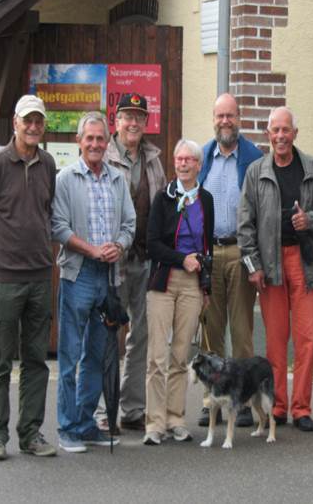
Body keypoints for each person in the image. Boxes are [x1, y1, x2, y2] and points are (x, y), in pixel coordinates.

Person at [0, 94, 58, 461]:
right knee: (2, 361)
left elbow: (48, 210)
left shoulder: (49, 164)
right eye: (28, 121)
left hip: (40, 275)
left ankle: (31, 433)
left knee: (37, 360)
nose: (34, 126)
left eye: (39, 121)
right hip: (5, 277)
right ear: (16, 124)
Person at [237, 107, 313, 433]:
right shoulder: (255, 172)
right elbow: (245, 226)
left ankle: (301, 407)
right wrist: (253, 265)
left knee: (306, 340)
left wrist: (311, 221)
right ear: (268, 134)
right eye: (275, 130)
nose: (280, 136)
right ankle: (277, 406)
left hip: (305, 263)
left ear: (295, 133)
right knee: (276, 342)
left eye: (285, 130)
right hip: (270, 264)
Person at [51, 111, 136, 452]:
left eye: (101, 139)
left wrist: (119, 246)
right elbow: (58, 226)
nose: (96, 144)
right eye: (90, 139)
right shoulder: (65, 179)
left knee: (97, 355)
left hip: (110, 278)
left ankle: (86, 424)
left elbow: (130, 225)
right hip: (79, 274)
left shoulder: (117, 180)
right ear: (79, 142)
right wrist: (91, 250)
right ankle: (67, 428)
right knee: (71, 354)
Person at [196, 93, 263, 428]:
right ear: (214, 118)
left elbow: (263, 212)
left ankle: (245, 400)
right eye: (220, 116)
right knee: (211, 331)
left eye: (231, 116)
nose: (225, 121)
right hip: (209, 254)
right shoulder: (204, 156)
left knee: (241, 330)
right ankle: (212, 402)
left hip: (240, 252)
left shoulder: (253, 157)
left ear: (240, 117)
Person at [100, 92, 166, 433]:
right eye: (127, 116)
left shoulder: (154, 159)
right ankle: (104, 411)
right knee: (107, 335)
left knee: (140, 337)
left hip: (146, 261)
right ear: (116, 121)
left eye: (139, 117)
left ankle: (132, 409)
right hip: (113, 262)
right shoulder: (105, 156)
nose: (133, 123)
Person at [142, 139, 214, 445]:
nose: (183, 164)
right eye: (179, 159)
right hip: (164, 281)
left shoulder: (206, 200)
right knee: (157, 356)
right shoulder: (163, 198)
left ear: (198, 165)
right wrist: (179, 259)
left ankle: (175, 418)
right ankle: (155, 423)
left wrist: (205, 285)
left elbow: (208, 246)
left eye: (189, 160)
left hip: (192, 284)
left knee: (181, 354)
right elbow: (152, 242)